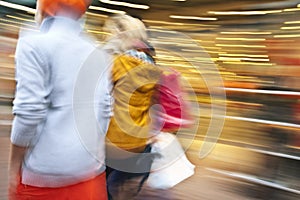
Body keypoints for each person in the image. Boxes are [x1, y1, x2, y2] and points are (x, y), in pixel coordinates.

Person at [8, 0, 111, 199]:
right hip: (91, 176)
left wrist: (14, 166)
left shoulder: (33, 43)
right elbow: (105, 112)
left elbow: (29, 112)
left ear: (47, 6)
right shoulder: (97, 51)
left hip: (45, 178)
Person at [102, 14, 174, 200]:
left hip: (112, 142)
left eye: (110, 34)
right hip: (139, 143)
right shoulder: (153, 67)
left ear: (120, 35)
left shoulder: (115, 64)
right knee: (117, 187)